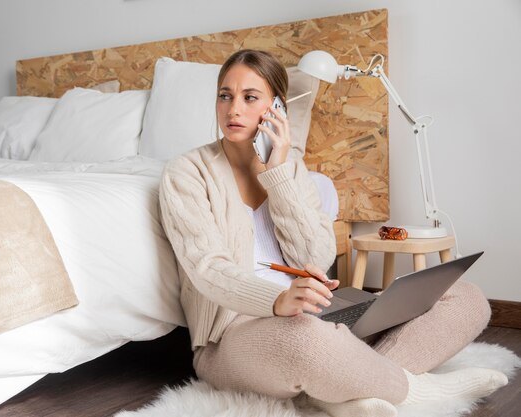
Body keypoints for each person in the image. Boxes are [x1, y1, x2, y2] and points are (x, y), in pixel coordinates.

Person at [158, 49, 507, 417]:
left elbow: (318, 256)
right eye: (225, 95)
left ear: (276, 107)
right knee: (307, 338)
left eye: (250, 97)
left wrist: (277, 174)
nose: (233, 110)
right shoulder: (186, 173)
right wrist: (277, 302)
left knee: (466, 298)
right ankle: (414, 390)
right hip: (236, 335)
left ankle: (342, 386)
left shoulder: (290, 166)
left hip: (319, 314)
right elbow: (207, 269)